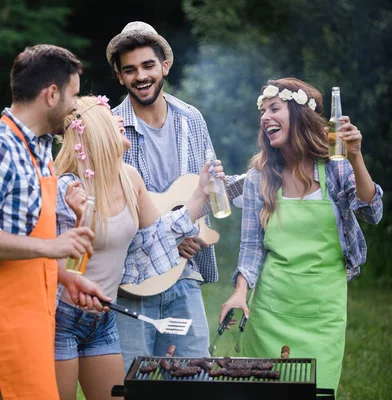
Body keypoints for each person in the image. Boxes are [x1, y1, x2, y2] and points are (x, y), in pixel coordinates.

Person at [0, 45, 111, 400]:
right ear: (51, 94)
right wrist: (50, 247)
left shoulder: (39, 149)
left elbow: (23, 235)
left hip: (34, 313)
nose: (74, 107)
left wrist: (65, 276)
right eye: (72, 94)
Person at [53, 95, 228, 400]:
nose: (121, 119)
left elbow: (157, 235)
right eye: (111, 117)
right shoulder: (67, 187)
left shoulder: (129, 177)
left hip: (102, 318)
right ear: (94, 131)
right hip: (62, 317)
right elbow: (54, 263)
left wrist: (200, 193)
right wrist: (80, 216)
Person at [219, 78, 383, 393]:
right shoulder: (259, 178)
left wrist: (356, 157)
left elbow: (372, 212)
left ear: (298, 114)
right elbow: (252, 247)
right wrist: (240, 291)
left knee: (315, 391)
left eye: (274, 108)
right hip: (270, 311)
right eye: (263, 111)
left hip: (322, 313)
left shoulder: (335, 168)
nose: (265, 117)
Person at [106, 21, 241, 369]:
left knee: (195, 379)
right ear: (120, 77)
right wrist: (170, 237)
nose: (141, 76)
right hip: (132, 283)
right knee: (132, 383)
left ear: (165, 65)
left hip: (183, 276)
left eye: (148, 65)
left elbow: (207, 189)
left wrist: (229, 186)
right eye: (130, 70)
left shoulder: (191, 118)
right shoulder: (109, 128)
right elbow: (111, 211)